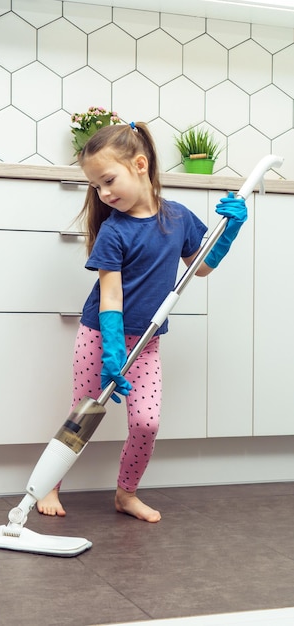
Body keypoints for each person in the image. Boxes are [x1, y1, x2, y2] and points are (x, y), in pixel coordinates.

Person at [37, 121, 247, 522]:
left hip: (146, 340)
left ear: (139, 164)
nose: (104, 193)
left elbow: (199, 269)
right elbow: (111, 296)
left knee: (147, 423)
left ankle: (126, 493)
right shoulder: (113, 232)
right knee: (83, 414)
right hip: (101, 336)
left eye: (108, 180)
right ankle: (49, 483)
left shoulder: (179, 219)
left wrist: (230, 232)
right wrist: (113, 348)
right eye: (97, 186)